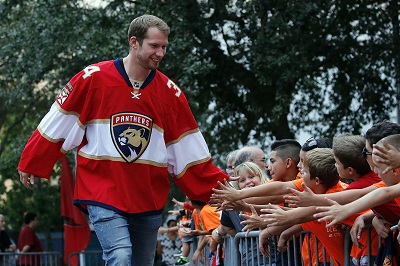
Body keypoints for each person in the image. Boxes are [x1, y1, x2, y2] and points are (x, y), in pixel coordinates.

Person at [17, 14, 229, 266]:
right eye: (154, 46)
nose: (160, 53)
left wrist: (223, 188)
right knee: (119, 255)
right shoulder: (92, 78)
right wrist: (33, 159)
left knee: (141, 262)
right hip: (102, 189)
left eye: (164, 47)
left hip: (147, 194)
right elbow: (58, 120)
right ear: (134, 42)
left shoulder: (170, 93)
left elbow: (188, 150)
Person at [212, 161, 269, 266]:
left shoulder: (272, 195)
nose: (248, 182)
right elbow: (226, 227)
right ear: (238, 185)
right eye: (242, 180)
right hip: (250, 259)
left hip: (274, 257)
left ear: (261, 176)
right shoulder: (231, 207)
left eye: (251, 177)